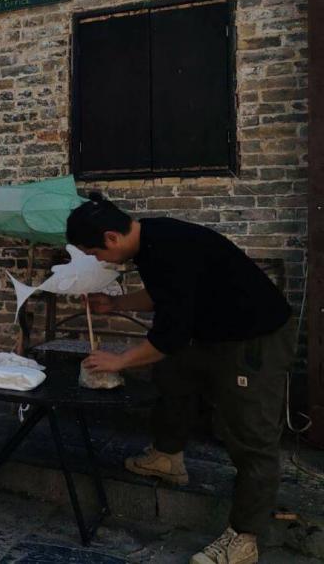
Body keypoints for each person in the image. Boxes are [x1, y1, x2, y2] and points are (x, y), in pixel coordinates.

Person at [66, 193, 294, 564]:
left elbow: (168, 337)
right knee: (173, 372)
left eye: (94, 253)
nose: (98, 260)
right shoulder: (149, 241)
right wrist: (116, 304)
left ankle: (244, 538)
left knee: (251, 433)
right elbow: (164, 295)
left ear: (111, 237)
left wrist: (119, 361)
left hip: (256, 337)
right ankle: (167, 456)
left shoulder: (169, 248)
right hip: (214, 332)